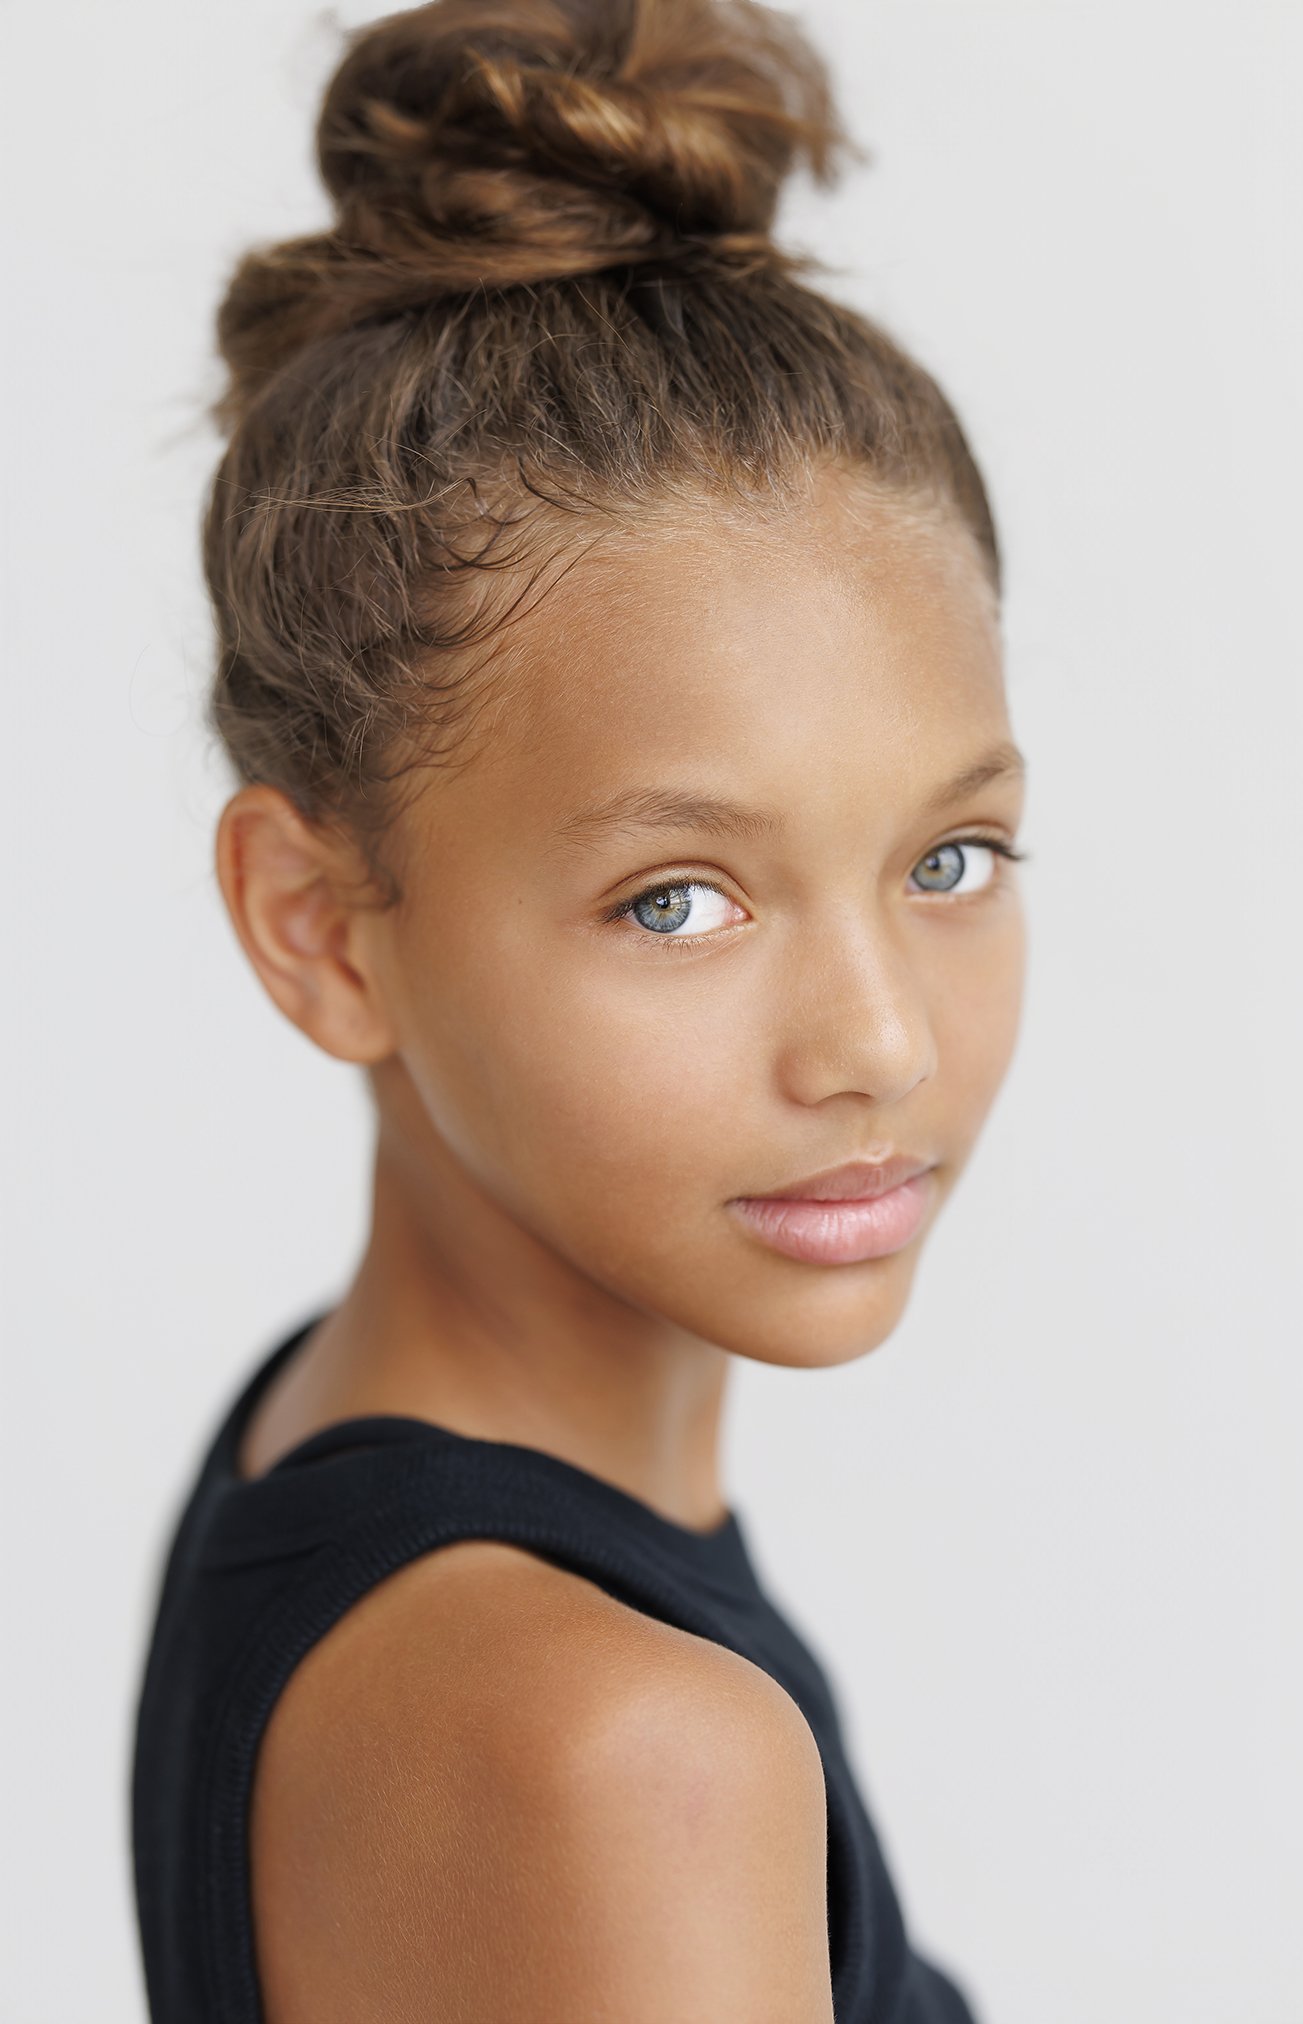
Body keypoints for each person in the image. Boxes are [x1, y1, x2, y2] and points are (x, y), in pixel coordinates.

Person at [130, 1, 1028, 2017]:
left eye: (950, 860)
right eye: (680, 897)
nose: (878, 1038)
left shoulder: (320, 1445)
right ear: (323, 929)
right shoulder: (613, 1752)